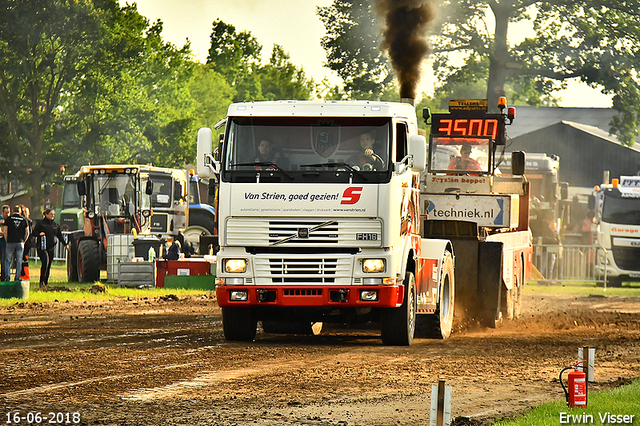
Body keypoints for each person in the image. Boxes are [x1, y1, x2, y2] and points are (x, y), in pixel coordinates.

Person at [32, 208, 68, 289]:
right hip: (42, 247)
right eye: (51, 214)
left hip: (51, 247)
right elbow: (34, 233)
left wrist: (65, 244)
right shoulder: (40, 224)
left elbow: (60, 235)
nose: (52, 216)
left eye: (53, 215)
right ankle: (41, 282)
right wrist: (39, 234)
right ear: (46, 214)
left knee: (49, 265)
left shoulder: (55, 225)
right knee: (45, 262)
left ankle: (46, 282)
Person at [3, 205, 29, 282]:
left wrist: (7, 240)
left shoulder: (8, 219)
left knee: (8, 260)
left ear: (13, 210)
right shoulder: (24, 219)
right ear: (20, 211)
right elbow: (27, 232)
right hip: (20, 242)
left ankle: (7, 277)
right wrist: (24, 240)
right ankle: (17, 278)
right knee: (19, 260)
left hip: (10, 242)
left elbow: (5, 231)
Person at [0, 205, 9, 281]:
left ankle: (3, 278)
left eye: (8, 213)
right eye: (6, 213)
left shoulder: (9, 220)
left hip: (4, 243)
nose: (7, 215)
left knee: (4, 261)